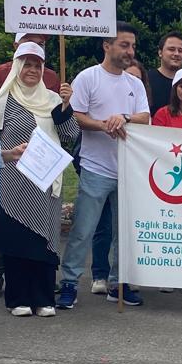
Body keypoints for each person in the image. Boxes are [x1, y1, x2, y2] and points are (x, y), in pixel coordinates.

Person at [56, 25, 150, 310]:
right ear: (107, 46)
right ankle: (69, 283)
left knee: (124, 232)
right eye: (124, 45)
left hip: (128, 170)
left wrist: (124, 118)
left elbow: (145, 117)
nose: (130, 51)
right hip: (96, 167)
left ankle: (118, 284)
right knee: (83, 229)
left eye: (132, 46)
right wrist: (103, 125)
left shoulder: (135, 84)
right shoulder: (88, 77)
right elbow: (76, 116)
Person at [0, 42, 79, 316]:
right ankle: (18, 298)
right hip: (14, 181)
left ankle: (43, 297)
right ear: (17, 66)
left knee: (44, 238)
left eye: (37, 65)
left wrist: (65, 106)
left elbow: (70, 135)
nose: (32, 70)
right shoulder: (2, 101)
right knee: (18, 239)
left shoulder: (52, 99)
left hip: (46, 181)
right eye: (27, 64)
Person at [145, 32, 182, 117]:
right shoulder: (147, 79)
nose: (176, 54)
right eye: (171, 49)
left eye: (181, 51)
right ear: (160, 53)